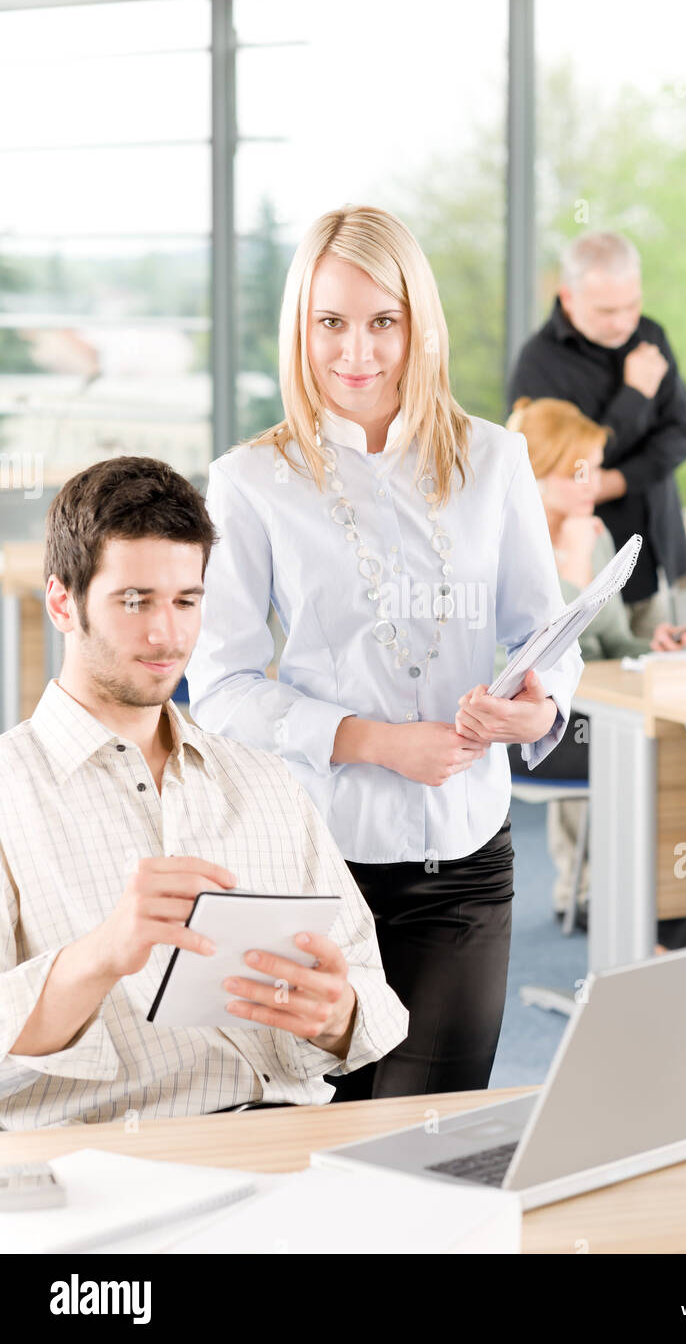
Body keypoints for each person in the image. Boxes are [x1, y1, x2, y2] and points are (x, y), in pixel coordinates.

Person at [186, 205, 583, 1101]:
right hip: (318, 866)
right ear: (301, 327)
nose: (356, 352)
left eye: (382, 322)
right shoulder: (251, 481)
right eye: (331, 322)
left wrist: (539, 705)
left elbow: (542, 633)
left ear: (418, 324)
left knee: (422, 1139)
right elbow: (219, 686)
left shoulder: (496, 460)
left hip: (465, 867)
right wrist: (370, 738)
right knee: (319, 1135)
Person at [0, 456, 409, 1130]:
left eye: (186, 601)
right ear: (62, 602)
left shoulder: (265, 781)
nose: (169, 634)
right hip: (104, 1167)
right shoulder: (13, 792)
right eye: (135, 601)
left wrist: (337, 1015)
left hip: (283, 1145)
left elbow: (369, 994)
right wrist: (103, 955)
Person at [504, 397, 686, 949]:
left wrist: (652, 643)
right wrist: (568, 567)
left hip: (597, 707)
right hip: (533, 724)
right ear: (536, 474)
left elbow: (612, 640)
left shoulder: (595, 536)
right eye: (577, 471)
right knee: (642, 753)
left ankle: (673, 913)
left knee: (682, 743)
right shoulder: (506, 541)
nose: (593, 483)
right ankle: (616, 901)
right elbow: (532, 657)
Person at [507, 231, 686, 639]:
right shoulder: (538, 362)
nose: (624, 322)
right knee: (587, 682)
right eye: (607, 311)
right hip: (584, 555)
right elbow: (558, 466)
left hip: (656, 545)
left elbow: (680, 431)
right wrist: (635, 396)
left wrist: (613, 480)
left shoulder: (650, 336)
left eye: (632, 305)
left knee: (652, 671)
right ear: (569, 298)